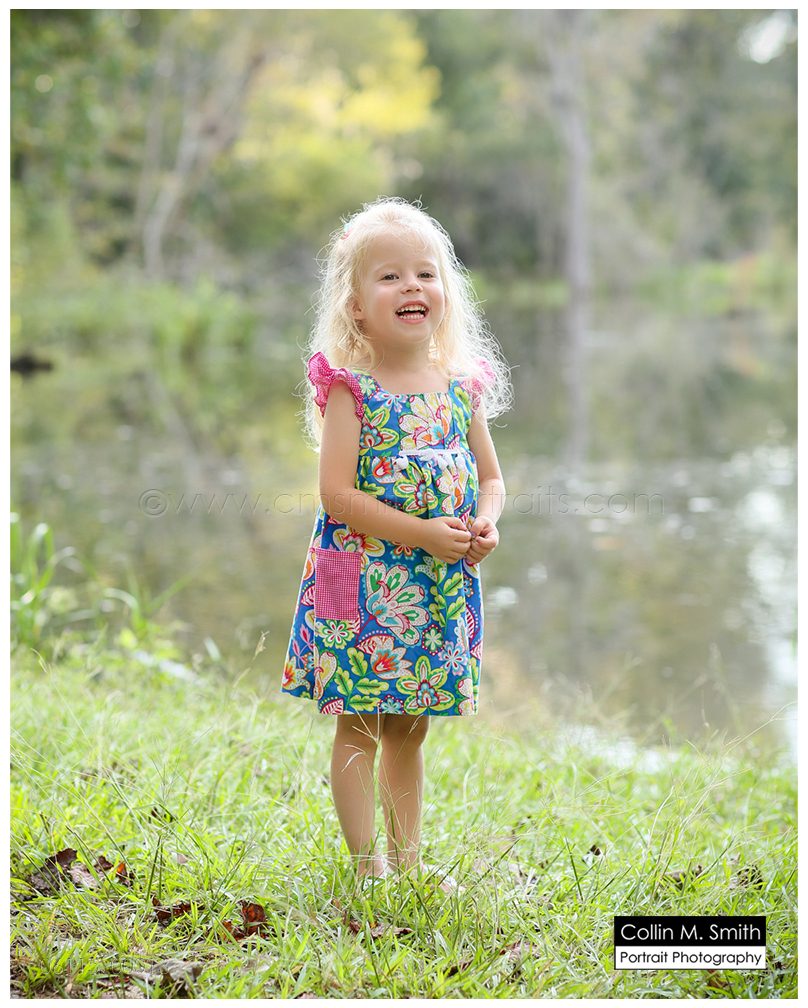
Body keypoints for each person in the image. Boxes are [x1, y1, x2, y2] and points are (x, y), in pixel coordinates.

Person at [281, 197, 510, 883]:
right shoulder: (350, 389)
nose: (412, 286)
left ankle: (408, 864)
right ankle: (366, 866)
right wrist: (422, 534)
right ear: (355, 306)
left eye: (425, 273)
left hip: (434, 581)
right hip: (353, 575)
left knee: (410, 727)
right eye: (389, 277)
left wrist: (485, 522)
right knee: (358, 721)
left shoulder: (461, 389)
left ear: (446, 291)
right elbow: (338, 496)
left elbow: (492, 479)